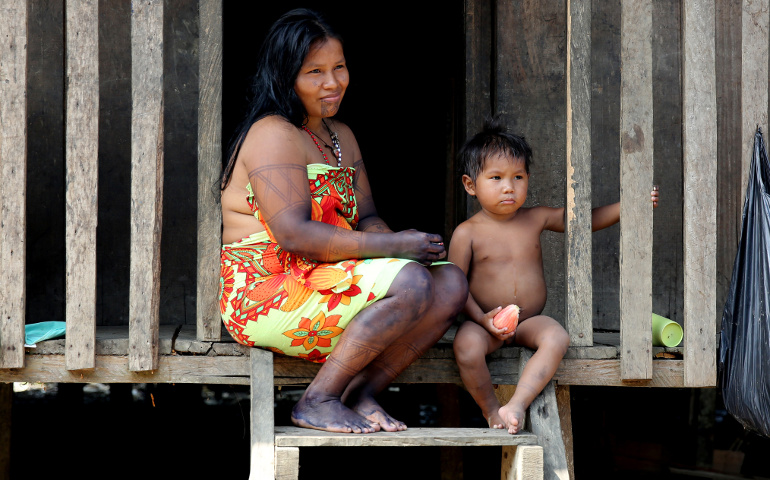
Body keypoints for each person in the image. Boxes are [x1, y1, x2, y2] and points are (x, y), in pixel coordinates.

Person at [219, 8, 467, 435]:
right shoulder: (273, 133)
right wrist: (395, 252)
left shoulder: (341, 136)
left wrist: (405, 249)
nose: (332, 82)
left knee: (449, 284)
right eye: (314, 71)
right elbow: (294, 236)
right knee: (410, 281)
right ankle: (317, 400)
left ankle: (362, 392)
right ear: (284, 75)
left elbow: (367, 216)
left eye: (339, 67)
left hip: (326, 276)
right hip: (267, 291)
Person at [448, 117, 659, 434]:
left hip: (528, 321)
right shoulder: (467, 233)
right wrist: (481, 319)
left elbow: (583, 221)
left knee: (557, 337)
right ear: (470, 185)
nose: (509, 186)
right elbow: (455, 286)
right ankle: (491, 411)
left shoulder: (535, 218)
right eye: (496, 177)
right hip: (485, 324)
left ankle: (517, 403)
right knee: (465, 347)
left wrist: (629, 205)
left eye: (518, 177)